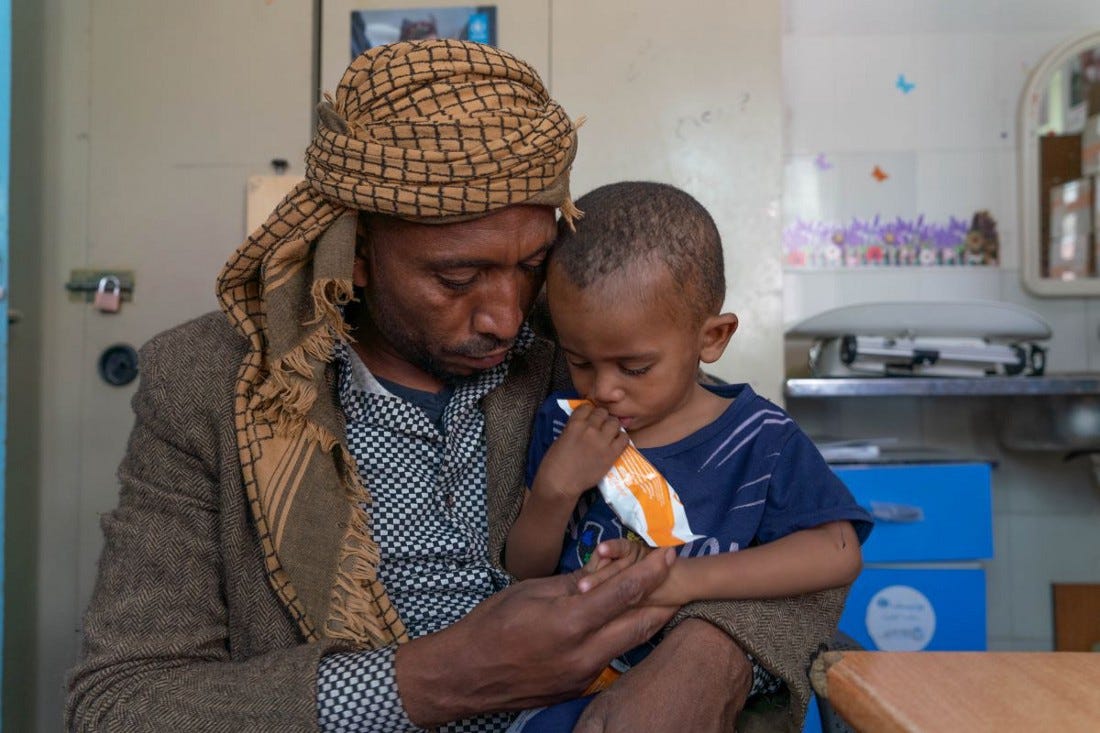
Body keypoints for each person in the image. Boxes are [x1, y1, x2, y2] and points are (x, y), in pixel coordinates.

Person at [66, 41, 846, 733]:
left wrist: (711, 654)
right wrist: (431, 680)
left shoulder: (576, 354)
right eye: (457, 276)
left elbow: (772, 529)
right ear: (356, 252)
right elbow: (123, 701)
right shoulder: (212, 387)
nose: (507, 317)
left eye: (531, 263)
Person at [503, 181, 874, 729]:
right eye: (580, 360)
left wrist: (678, 583)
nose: (604, 389)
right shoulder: (567, 423)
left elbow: (836, 552)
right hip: (566, 691)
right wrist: (554, 492)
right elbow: (523, 572)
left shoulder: (760, 439)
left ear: (713, 338)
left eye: (634, 368)